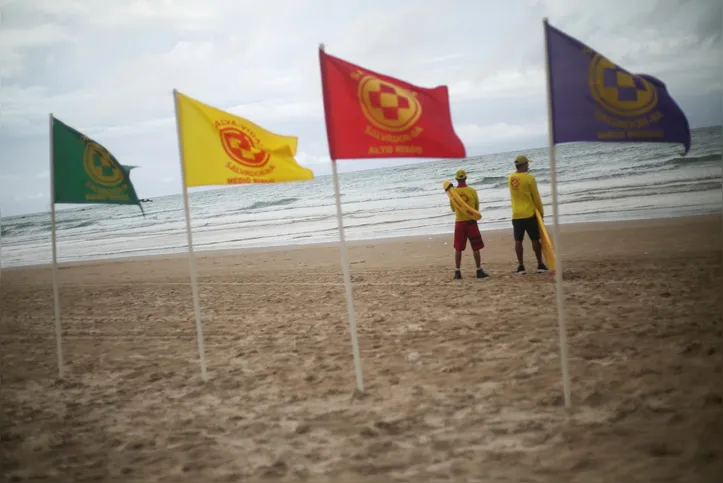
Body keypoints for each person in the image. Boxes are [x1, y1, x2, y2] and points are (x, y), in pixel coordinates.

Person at [508, 155, 548, 275]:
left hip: (516, 214)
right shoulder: (530, 178)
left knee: (518, 240)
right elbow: (536, 197)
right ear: (523, 164)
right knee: (535, 239)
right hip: (529, 213)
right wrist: (541, 213)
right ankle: (540, 264)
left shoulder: (510, 178)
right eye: (527, 164)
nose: (528, 166)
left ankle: (521, 266)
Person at [450, 169, 488, 280]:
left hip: (459, 223)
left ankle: (457, 272)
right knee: (476, 247)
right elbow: (476, 209)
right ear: (465, 178)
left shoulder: (453, 194)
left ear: (457, 179)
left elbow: (453, 209)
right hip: (471, 222)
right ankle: (479, 270)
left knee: (458, 248)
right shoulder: (472, 191)